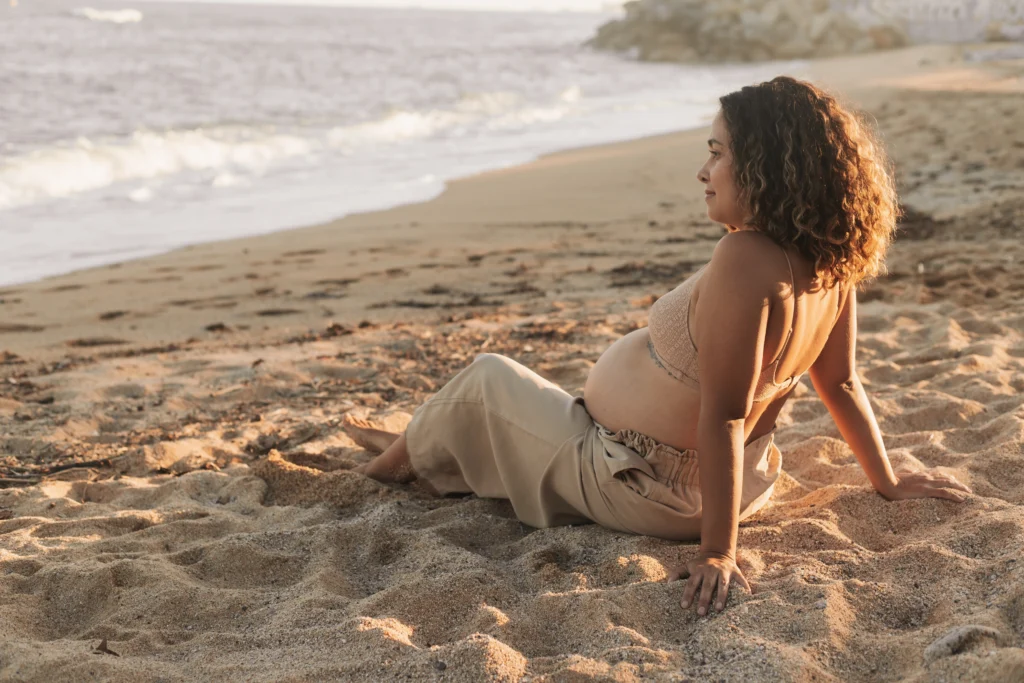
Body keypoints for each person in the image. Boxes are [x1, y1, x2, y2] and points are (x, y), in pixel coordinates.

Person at [344, 76, 972, 617]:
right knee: (528, 405)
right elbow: (840, 383)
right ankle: (420, 436)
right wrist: (887, 481)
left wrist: (718, 553)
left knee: (486, 376)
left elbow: (724, 414)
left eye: (718, 154)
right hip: (739, 479)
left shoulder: (745, 257)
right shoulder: (829, 261)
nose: (703, 172)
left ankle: (383, 469)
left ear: (765, 168)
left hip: (649, 483)